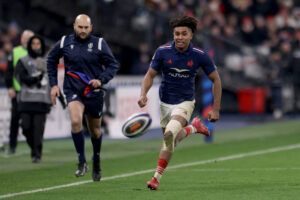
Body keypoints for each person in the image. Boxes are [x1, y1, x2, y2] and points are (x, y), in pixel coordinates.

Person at [138, 16, 222, 190]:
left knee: (169, 134)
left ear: (191, 35)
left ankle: (155, 179)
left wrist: (216, 109)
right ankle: (194, 128)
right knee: (171, 141)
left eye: (184, 33)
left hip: (185, 102)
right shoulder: (162, 51)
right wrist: (143, 94)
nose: (180, 37)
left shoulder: (199, 55)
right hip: (164, 103)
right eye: (177, 33)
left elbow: (216, 79)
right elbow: (150, 75)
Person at [47, 14, 119, 181]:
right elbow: (51, 60)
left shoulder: (99, 43)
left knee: (95, 131)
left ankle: (97, 158)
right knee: (75, 121)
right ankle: (81, 161)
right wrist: (54, 85)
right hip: (73, 90)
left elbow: (113, 65)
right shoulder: (65, 42)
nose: (83, 31)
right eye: (80, 27)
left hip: (93, 92)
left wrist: (100, 79)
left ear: (91, 28)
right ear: (74, 26)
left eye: (86, 28)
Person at [14, 35, 51, 163]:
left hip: (42, 101)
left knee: (38, 129)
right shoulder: (23, 61)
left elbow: (53, 81)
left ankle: (37, 154)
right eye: (33, 43)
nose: (36, 46)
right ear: (30, 45)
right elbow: (20, 77)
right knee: (25, 128)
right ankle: (34, 149)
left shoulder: (47, 61)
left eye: (38, 43)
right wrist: (36, 78)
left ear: (41, 45)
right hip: (26, 100)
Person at [5, 29, 34, 154]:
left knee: (32, 121)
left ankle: (34, 145)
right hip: (18, 92)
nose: (26, 40)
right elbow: (9, 71)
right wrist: (10, 87)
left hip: (34, 93)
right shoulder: (15, 51)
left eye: (29, 38)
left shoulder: (38, 52)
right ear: (21, 39)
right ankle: (12, 146)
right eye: (25, 37)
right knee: (15, 120)